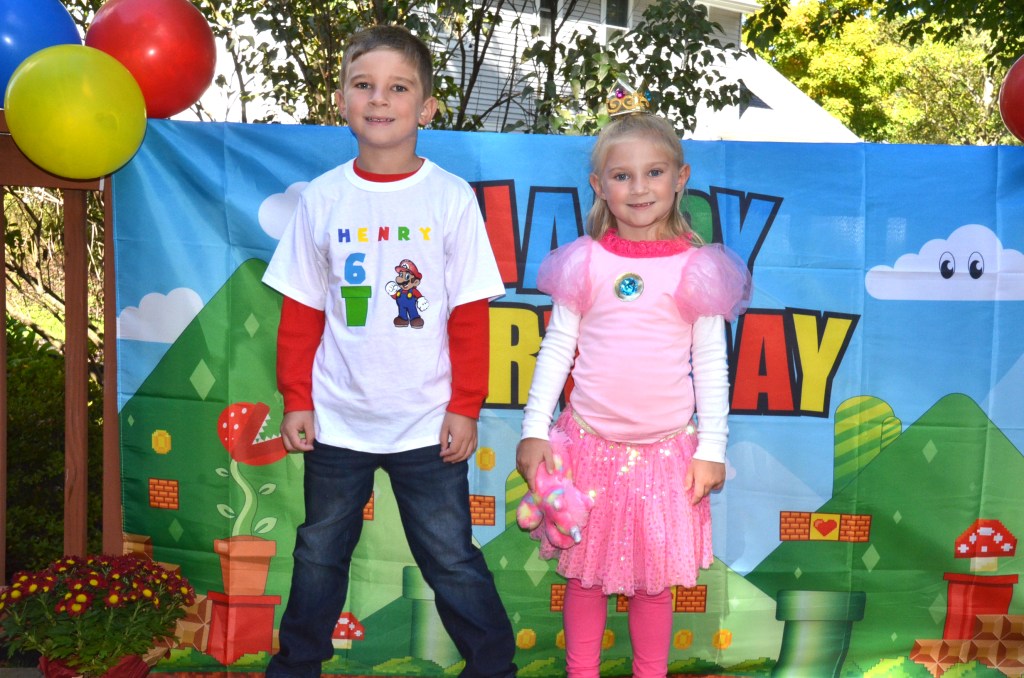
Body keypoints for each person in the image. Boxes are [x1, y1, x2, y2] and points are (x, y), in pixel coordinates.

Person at [262, 25, 516, 678]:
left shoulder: (451, 198)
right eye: (364, 85)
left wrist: (465, 406)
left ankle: (494, 668)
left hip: (427, 422)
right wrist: (297, 398)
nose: (380, 99)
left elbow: (469, 316)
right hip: (337, 418)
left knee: (450, 557)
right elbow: (301, 312)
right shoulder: (322, 199)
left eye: (398, 88)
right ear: (342, 101)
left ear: (426, 108)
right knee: (319, 554)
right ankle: (296, 667)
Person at [515, 96, 751, 677]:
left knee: (653, 586)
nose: (639, 188)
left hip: (667, 457)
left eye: (654, 172)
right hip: (587, 448)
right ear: (599, 186)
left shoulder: (697, 268)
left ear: (680, 178)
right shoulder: (585, 262)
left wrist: (712, 447)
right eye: (622, 176)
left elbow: (712, 364)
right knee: (584, 578)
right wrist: (533, 429)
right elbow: (557, 348)